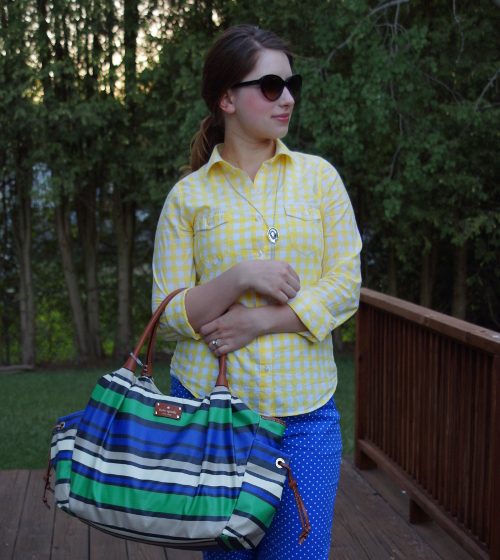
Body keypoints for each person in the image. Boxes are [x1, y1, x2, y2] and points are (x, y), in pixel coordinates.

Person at [152, 24, 362, 560]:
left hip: (304, 419)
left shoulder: (319, 179)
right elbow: (169, 314)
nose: (287, 98)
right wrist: (240, 276)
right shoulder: (188, 197)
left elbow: (346, 285)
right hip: (212, 423)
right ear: (227, 98)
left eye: (291, 85)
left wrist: (261, 321)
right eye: (270, 86)